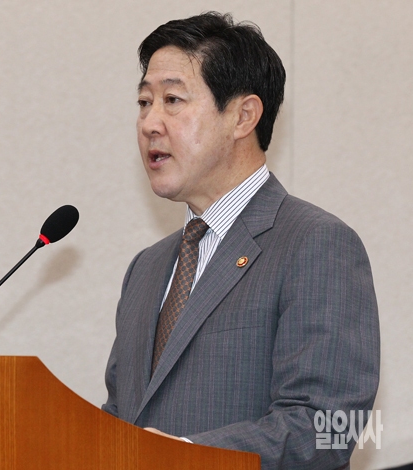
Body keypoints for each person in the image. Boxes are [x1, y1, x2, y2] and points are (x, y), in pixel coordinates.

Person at [102, 12, 379, 470]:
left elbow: (331, 428)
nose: (149, 122)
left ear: (243, 116)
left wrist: (185, 457)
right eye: (143, 102)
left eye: (172, 100)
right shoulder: (146, 268)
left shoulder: (317, 244)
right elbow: (120, 422)